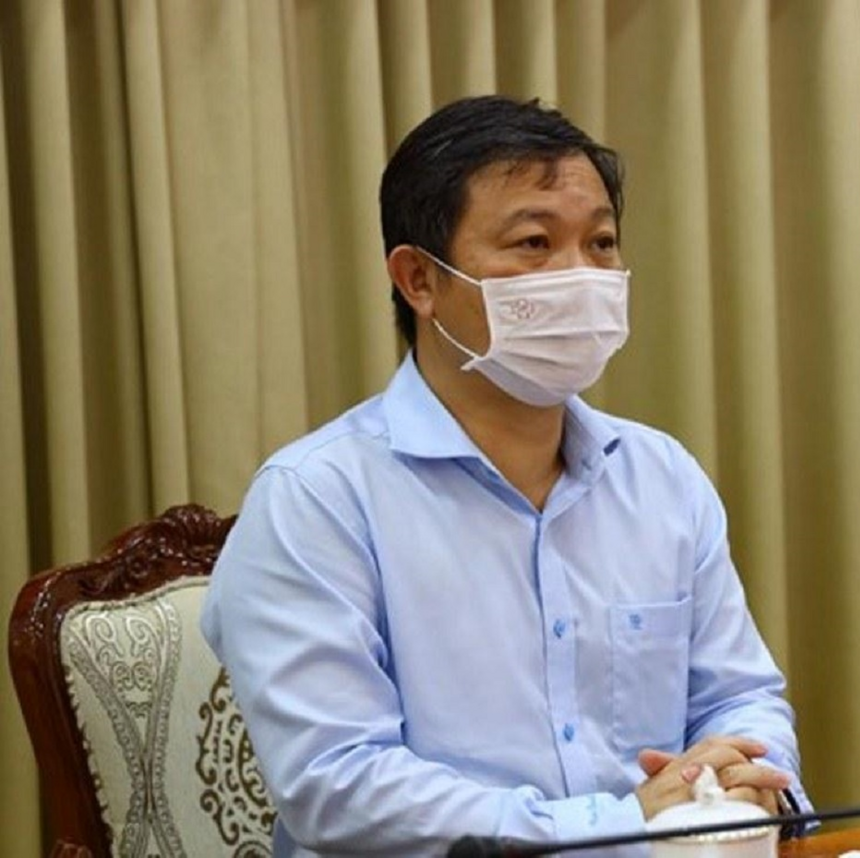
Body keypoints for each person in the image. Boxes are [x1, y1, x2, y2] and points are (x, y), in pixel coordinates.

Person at [201, 94, 811, 858]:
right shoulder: (316, 500)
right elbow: (339, 783)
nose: (580, 276)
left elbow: (739, 696)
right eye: (534, 243)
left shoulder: (661, 477)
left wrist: (750, 785)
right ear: (419, 280)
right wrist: (618, 826)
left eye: (601, 242)